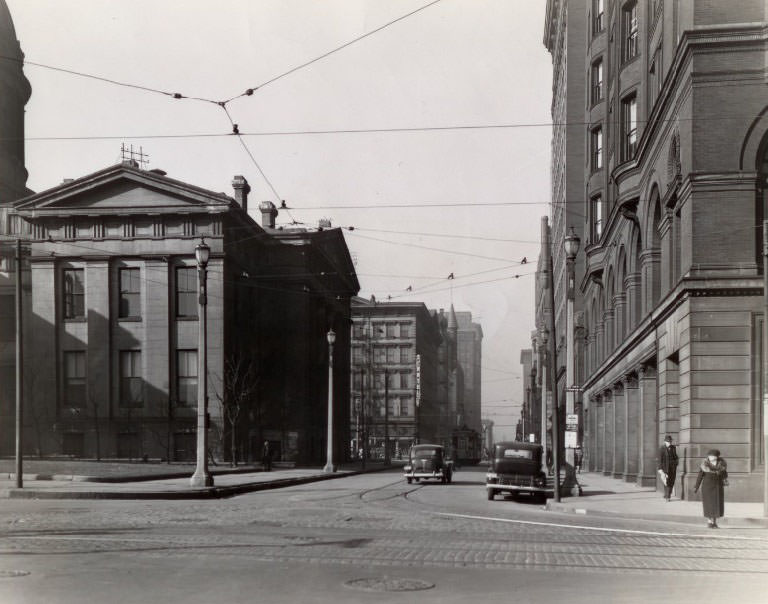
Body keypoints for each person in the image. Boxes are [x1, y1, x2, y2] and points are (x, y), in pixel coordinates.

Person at [694, 449, 728, 528]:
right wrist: (696, 486)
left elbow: (725, 474)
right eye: (709, 456)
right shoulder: (705, 465)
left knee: (717, 505)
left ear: (716, 457)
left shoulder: (721, 464)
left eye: (712, 456)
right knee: (709, 505)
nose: (710, 457)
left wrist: (725, 480)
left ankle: (714, 522)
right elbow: (700, 476)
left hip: (718, 487)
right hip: (707, 487)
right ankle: (709, 522)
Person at [657, 435, 678, 501]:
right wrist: (660, 468)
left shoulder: (673, 448)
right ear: (665, 442)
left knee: (672, 481)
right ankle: (668, 496)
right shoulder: (661, 449)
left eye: (670, 441)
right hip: (665, 468)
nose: (669, 443)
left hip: (673, 468)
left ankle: (667, 494)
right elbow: (660, 460)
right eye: (668, 441)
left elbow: (676, 457)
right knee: (667, 481)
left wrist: (675, 464)